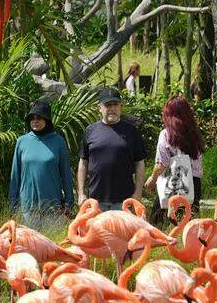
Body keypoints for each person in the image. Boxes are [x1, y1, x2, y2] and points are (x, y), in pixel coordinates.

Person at [76, 87, 146, 211]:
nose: (112, 109)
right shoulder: (90, 131)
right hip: (96, 201)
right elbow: (83, 162)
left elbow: (140, 163)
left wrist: (138, 192)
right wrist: (81, 193)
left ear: (121, 106)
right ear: (99, 108)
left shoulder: (132, 131)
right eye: (108, 105)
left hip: (125, 201)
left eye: (115, 104)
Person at [9, 100, 73, 228]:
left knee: (53, 247)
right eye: (32, 118)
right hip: (27, 208)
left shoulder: (58, 142)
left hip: (53, 209)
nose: (35, 121)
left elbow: (66, 174)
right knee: (27, 247)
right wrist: (13, 205)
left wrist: (69, 202)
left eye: (39, 117)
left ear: (47, 119)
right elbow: (15, 175)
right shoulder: (22, 141)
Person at [144, 95, 205, 222]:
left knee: (156, 223)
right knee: (189, 225)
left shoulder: (166, 134)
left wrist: (152, 179)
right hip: (194, 184)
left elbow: (162, 164)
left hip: (173, 182)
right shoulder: (194, 134)